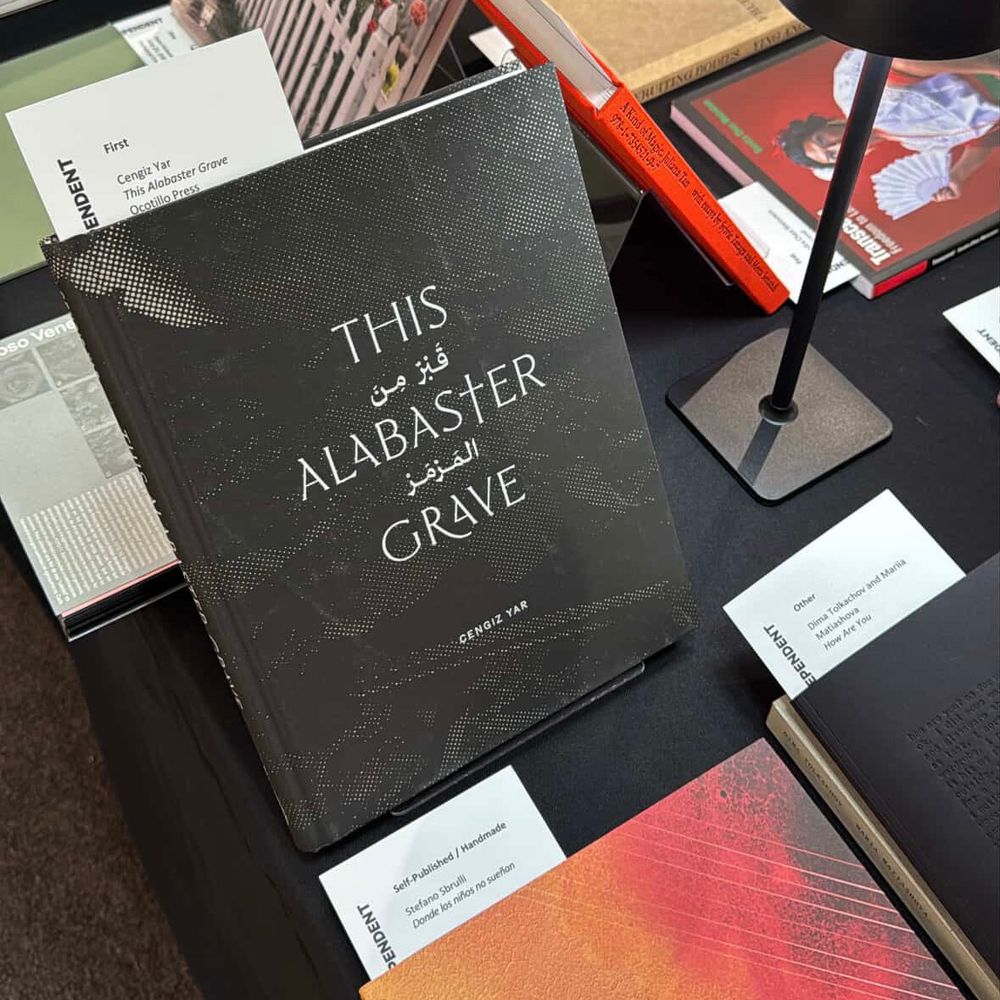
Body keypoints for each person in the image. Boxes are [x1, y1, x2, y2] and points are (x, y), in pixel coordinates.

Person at [777, 49, 1000, 202]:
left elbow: (902, 62)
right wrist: (959, 174)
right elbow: (986, 135)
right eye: (832, 155)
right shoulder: (914, 143)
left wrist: (991, 67)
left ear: (825, 123)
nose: (838, 144)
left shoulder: (851, 95)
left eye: (822, 139)